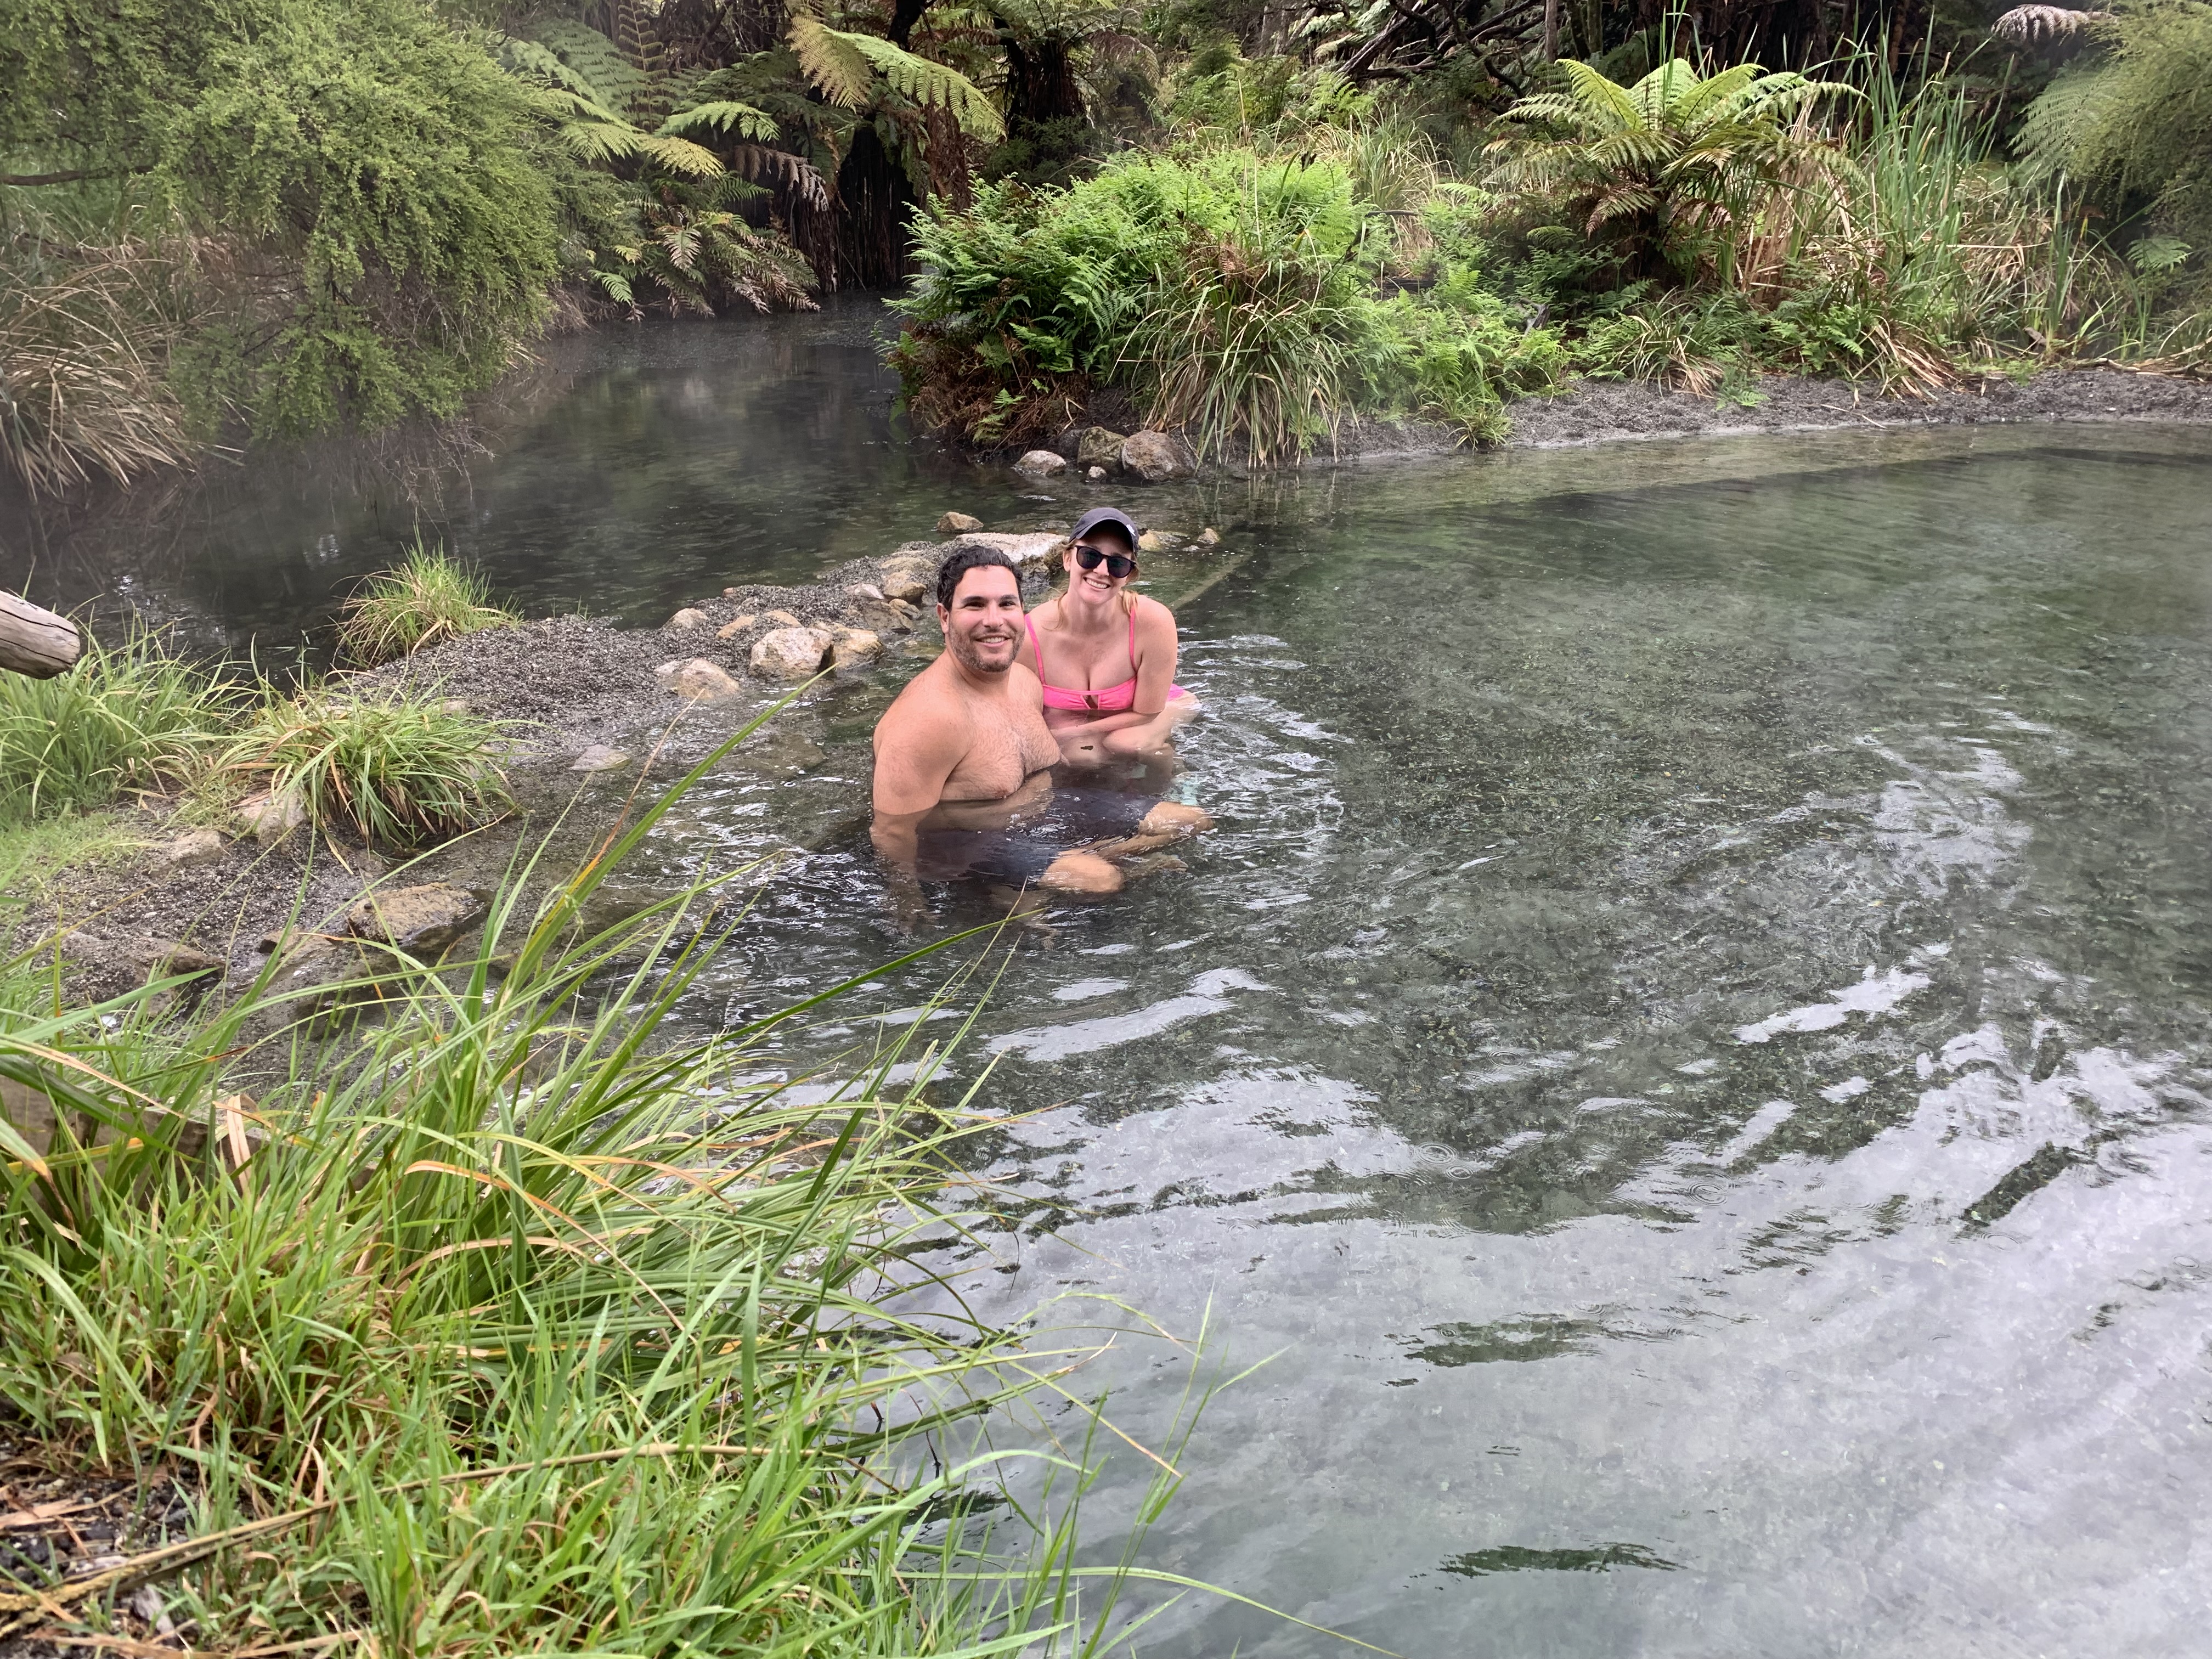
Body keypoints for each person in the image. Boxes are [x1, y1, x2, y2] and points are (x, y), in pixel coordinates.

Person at [870, 546, 1210, 917]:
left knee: (1190, 821)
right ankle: (1004, 884)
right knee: (1100, 880)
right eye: (975, 605)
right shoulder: (928, 718)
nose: (994, 620)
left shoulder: (1023, 681)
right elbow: (891, 831)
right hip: (967, 842)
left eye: (1006, 604)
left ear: (1021, 612)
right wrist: (907, 900)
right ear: (944, 617)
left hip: (1048, 812)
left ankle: (1038, 877)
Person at [1015, 506, 1195, 768]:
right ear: (1067, 559)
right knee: (1082, 757)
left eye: (1117, 563)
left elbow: (1147, 713)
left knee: (1128, 745)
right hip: (1082, 719)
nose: (1101, 571)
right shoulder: (1029, 636)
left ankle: (1174, 785)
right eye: (1089, 556)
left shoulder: (1153, 623)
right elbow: (1022, 719)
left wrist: (1072, 734)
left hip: (1156, 707)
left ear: (1129, 575)